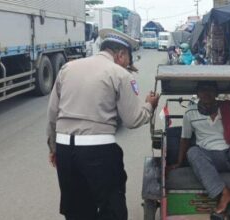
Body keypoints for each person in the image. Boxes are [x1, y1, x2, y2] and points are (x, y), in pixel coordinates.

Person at [47, 28, 159, 220]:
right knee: (112, 210)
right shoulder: (119, 73)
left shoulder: (68, 68)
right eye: (128, 61)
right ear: (121, 54)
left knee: (77, 212)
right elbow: (133, 119)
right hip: (98, 152)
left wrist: (54, 148)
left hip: (66, 150)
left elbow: (52, 113)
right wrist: (149, 105)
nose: (128, 66)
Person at [170, 81, 230, 215]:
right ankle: (225, 192)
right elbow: (185, 139)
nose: (206, 93)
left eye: (210, 89)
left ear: (216, 93)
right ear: (197, 93)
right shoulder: (190, 113)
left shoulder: (229, 108)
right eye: (203, 90)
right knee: (192, 152)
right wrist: (179, 162)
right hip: (208, 157)